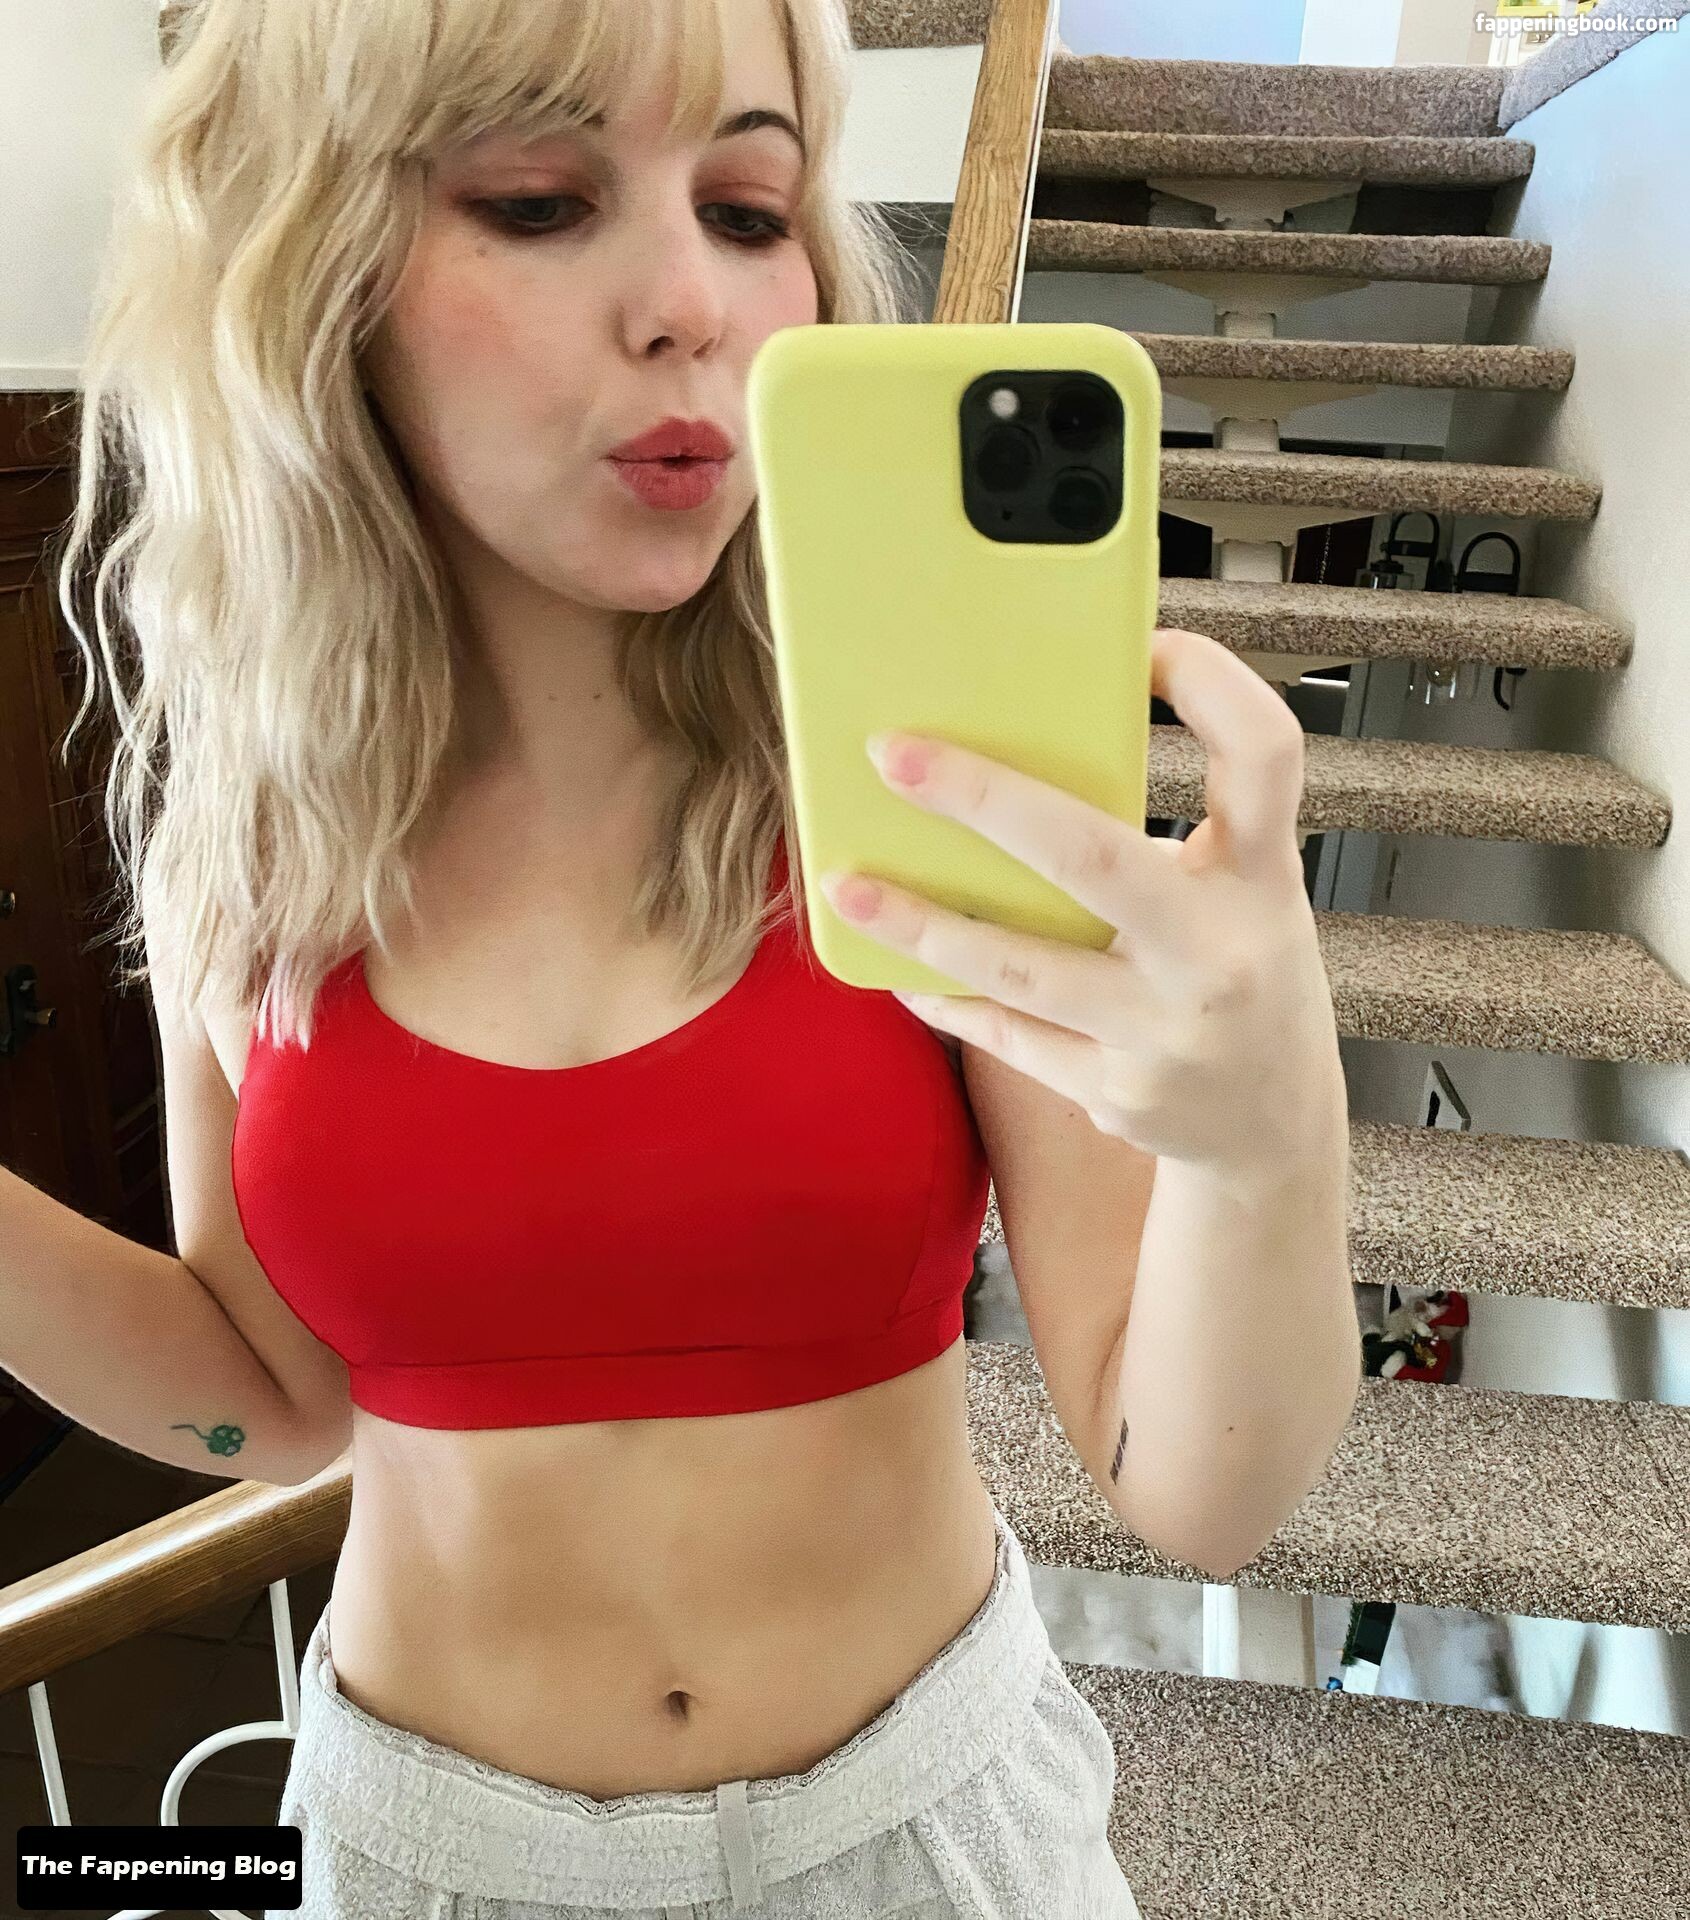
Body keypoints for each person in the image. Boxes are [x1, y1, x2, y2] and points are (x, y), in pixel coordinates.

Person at [15, 0, 1360, 1913]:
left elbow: (1201, 1493)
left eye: (746, 210)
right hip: (417, 1860)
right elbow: (273, 1405)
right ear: (312, 276)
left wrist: (1266, 1131)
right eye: (539, 200)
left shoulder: (921, 786)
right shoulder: (253, 840)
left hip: (917, 1841)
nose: (691, 305)